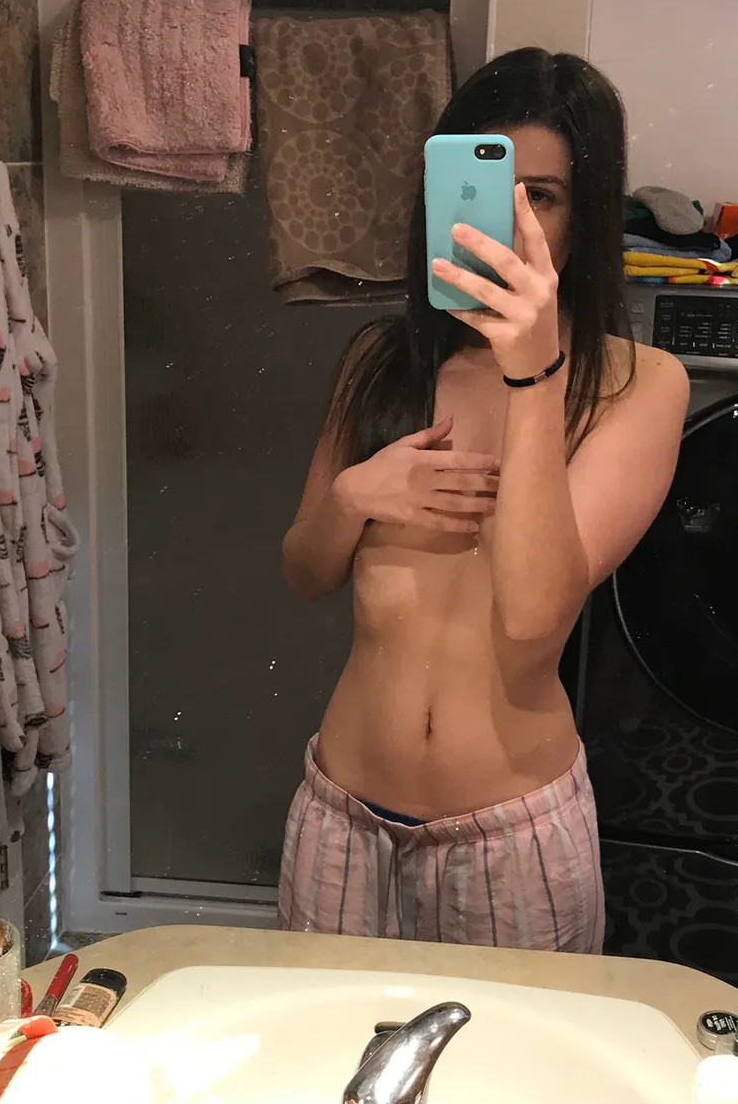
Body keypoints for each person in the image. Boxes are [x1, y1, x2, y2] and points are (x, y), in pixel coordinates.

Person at [278, 48, 689, 952]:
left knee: (513, 1050)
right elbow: (306, 571)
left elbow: (535, 613)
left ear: (585, 215)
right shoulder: (383, 362)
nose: (510, 223)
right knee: (322, 1043)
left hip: (510, 839)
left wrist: (532, 372)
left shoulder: (638, 384)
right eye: (486, 187)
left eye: (541, 195)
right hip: (340, 819)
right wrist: (354, 496)